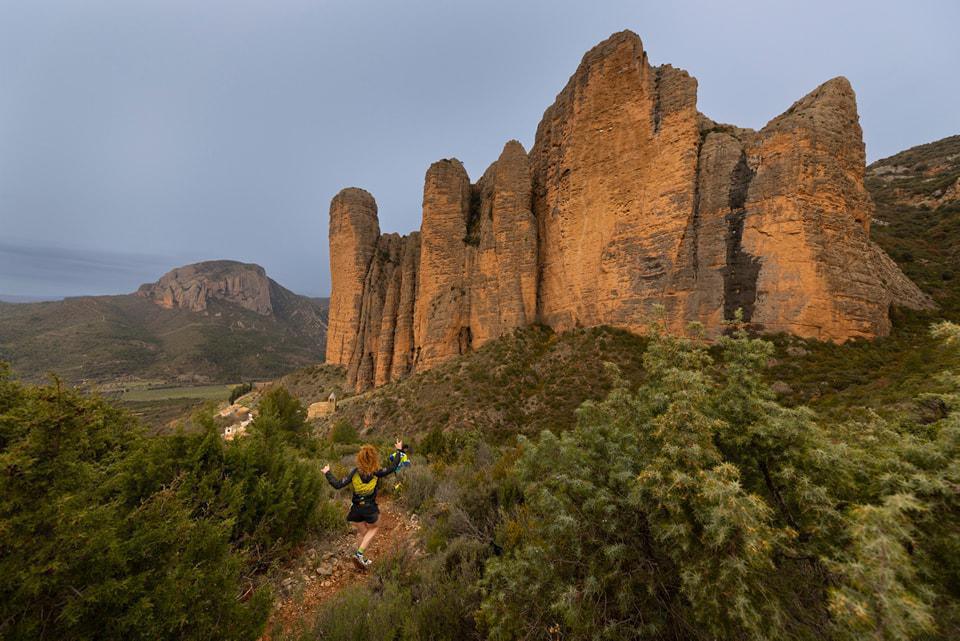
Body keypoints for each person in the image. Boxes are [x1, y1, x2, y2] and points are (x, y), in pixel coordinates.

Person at [322, 439, 405, 569]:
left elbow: (337, 485)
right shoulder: (377, 472)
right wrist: (399, 450)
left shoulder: (355, 472)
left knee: (362, 533)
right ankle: (359, 554)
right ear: (374, 458)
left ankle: (360, 560)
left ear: (360, 458)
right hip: (369, 508)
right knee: (374, 528)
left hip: (355, 510)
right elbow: (393, 467)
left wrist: (327, 473)